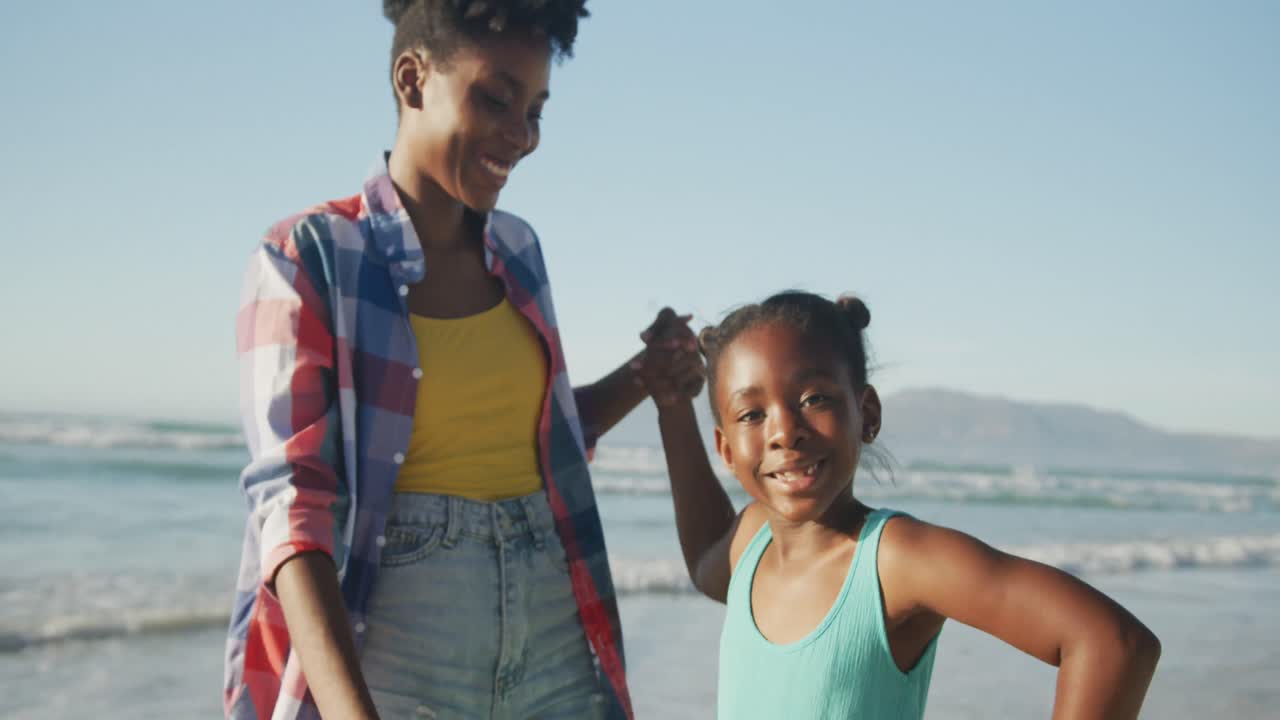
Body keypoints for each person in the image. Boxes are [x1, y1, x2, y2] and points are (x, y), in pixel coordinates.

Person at [222, 2, 699, 718]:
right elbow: (294, 509)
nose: (524, 133)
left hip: (555, 625)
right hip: (400, 645)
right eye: (497, 98)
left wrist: (644, 375)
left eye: (537, 108)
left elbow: (544, 438)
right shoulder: (308, 256)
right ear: (412, 79)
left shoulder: (519, 251)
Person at [645, 290, 1161, 719]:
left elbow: (1111, 644)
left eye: (813, 399)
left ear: (866, 413)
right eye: (752, 414)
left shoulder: (894, 560)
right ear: (727, 449)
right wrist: (672, 407)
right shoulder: (748, 544)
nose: (784, 432)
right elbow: (704, 559)